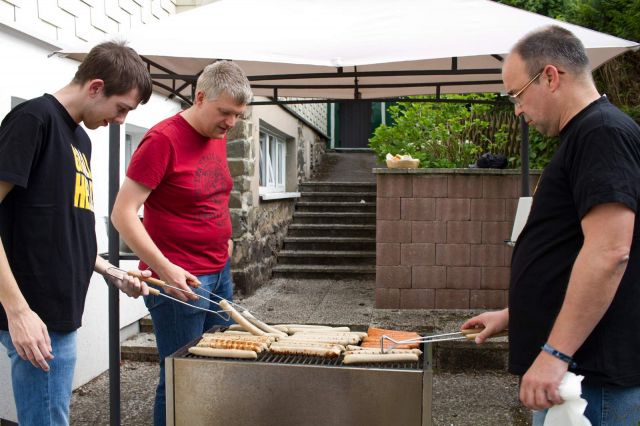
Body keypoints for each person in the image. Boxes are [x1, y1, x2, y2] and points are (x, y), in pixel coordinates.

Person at [462, 25, 640, 425]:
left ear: (550, 76)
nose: (518, 110)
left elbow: (610, 252)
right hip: (576, 371)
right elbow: (569, 252)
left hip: (590, 378)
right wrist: (515, 313)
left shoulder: (602, 134)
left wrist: (555, 354)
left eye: (517, 95)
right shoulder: (586, 135)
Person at [0, 41, 154, 425]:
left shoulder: (80, 139)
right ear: (96, 86)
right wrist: (18, 311)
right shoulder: (33, 120)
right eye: (122, 109)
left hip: (60, 313)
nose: (121, 120)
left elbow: (62, 230)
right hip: (35, 316)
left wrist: (113, 273)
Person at [111, 60, 252, 426]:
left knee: (218, 364)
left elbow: (214, 197)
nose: (231, 123)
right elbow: (123, 214)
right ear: (200, 97)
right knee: (179, 377)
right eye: (225, 112)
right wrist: (164, 269)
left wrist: (227, 244)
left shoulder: (216, 135)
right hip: (179, 282)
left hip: (218, 272)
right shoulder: (162, 140)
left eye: (238, 115)